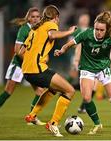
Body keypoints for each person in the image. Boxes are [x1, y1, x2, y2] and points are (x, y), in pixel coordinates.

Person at [54, 11, 111, 134]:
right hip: (87, 69)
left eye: (102, 30)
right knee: (87, 98)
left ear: (107, 29)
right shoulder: (86, 34)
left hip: (103, 69)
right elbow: (69, 44)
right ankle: (97, 124)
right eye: (97, 29)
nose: (98, 32)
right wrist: (61, 50)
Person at [0, 7, 45, 126]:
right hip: (19, 65)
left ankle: (31, 118)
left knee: (40, 91)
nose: (36, 19)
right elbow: (17, 50)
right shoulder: (24, 29)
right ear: (29, 19)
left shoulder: (40, 30)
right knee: (8, 92)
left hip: (31, 65)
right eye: (33, 17)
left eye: (38, 16)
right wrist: (32, 60)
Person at [20, 5, 76, 137]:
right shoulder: (50, 24)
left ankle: (32, 115)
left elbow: (21, 51)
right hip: (37, 69)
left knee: (54, 88)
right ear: (56, 17)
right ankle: (53, 124)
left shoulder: (34, 29)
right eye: (58, 18)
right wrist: (69, 31)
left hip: (27, 70)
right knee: (70, 90)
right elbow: (52, 34)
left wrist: (37, 56)